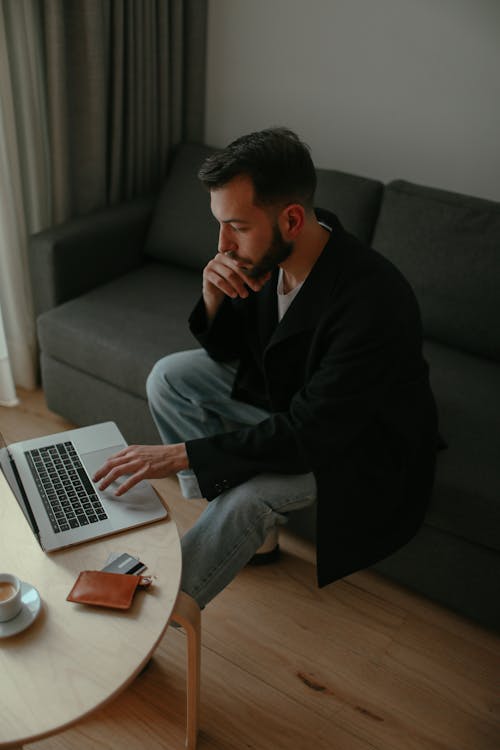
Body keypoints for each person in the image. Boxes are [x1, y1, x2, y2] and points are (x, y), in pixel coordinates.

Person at [93, 127, 438, 610]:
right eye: (219, 224)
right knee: (169, 377)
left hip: (355, 442)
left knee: (247, 498)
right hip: (291, 399)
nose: (222, 245)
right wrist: (212, 299)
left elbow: (310, 435)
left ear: (292, 219)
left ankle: (155, 618)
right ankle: (249, 532)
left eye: (236, 225)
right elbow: (228, 351)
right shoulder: (270, 256)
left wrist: (181, 454)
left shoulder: (374, 302)